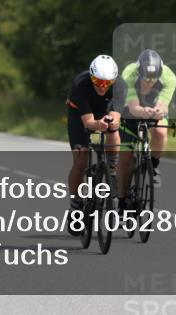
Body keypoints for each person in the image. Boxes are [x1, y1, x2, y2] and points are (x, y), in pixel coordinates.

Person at [65, 54, 121, 234]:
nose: (103, 86)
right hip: (80, 115)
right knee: (81, 159)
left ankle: (112, 167)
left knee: (113, 128)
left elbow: (117, 115)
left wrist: (111, 122)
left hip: (105, 110)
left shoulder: (121, 86)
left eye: (107, 82)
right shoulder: (80, 85)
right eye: (98, 81)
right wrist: (98, 125)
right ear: (91, 76)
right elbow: (88, 123)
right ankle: (75, 204)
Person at [116, 49, 176, 208]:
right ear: (139, 71)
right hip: (131, 110)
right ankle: (122, 201)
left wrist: (158, 111)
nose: (149, 83)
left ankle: (154, 165)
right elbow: (133, 106)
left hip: (153, 108)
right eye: (145, 79)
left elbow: (163, 105)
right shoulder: (129, 73)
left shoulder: (169, 77)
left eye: (153, 79)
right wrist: (142, 112)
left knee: (160, 131)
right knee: (125, 159)